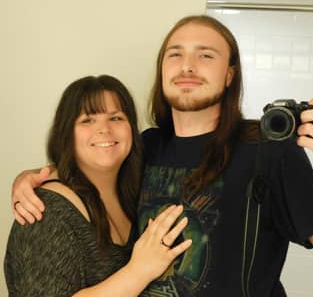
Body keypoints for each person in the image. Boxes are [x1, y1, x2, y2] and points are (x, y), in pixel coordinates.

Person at [11, 15, 313, 296]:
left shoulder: (268, 151)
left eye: (205, 55)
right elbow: (93, 170)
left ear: (229, 74)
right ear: (162, 69)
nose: (187, 66)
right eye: (175, 54)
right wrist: (36, 179)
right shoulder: (145, 147)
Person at [4, 75, 192, 297]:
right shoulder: (44, 213)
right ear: (67, 134)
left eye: (116, 118)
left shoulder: (137, 191)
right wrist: (139, 270)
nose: (104, 129)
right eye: (87, 120)